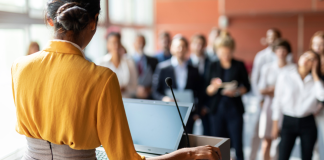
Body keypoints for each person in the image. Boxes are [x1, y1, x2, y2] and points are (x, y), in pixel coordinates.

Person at [11, 0, 222, 159]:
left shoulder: (18, 67)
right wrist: (189, 154)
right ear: (93, 22)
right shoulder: (101, 78)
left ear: (50, 20)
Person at [271, 51, 323, 160]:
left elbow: (322, 96)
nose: (307, 60)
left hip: (308, 122)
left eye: (311, 59)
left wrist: (315, 74)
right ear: (299, 58)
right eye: (305, 56)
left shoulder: (317, 81)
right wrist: (275, 124)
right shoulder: (285, 75)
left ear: (315, 64)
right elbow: (277, 101)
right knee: (282, 156)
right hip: (288, 120)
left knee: (307, 156)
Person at [249, 28, 293, 160]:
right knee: (262, 135)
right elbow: (257, 82)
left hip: (285, 105)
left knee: (281, 138)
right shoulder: (262, 58)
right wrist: (260, 99)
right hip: (266, 103)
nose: (281, 52)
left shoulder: (291, 64)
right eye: (270, 37)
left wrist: (276, 90)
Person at [206, 32, 250, 160]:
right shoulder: (212, 65)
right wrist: (213, 87)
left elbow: (247, 86)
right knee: (218, 145)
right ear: (217, 52)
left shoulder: (239, 64)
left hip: (234, 108)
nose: (225, 56)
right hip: (217, 109)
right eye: (222, 53)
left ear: (232, 51)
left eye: (228, 53)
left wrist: (236, 91)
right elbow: (207, 90)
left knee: (238, 144)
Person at [152, 34, 202, 134]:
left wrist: (197, 112)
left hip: (188, 113)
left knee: (188, 143)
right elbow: (155, 91)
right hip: (169, 113)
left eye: (183, 46)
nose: (180, 49)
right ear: (171, 48)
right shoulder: (162, 68)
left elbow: (199, 92)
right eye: (177, 46)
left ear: (187, 49)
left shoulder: (194, 69)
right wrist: (164, 98)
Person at [99, 32, 137, 98]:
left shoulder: (129, 62)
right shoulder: (101, 63)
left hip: (126, 100)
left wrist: (125, 89)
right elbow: (98, 86)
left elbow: (135, 86)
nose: (116, 46)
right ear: (108, 45)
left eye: (118, 42)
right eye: (113, 43)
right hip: (107, 100)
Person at [188, 34, 211, 136]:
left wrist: (205, 106)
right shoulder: (186, 63)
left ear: (205, 45)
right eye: (196, 44)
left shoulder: (211, 63)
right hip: (191, 106)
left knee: (208, 135)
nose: (199, 47)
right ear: (191, 45)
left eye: (201, 44)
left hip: (207, 106)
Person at [310, 31, 324, 159]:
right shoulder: (309, 61)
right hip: (310, 107)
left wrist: (320, 106)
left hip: (321, 107)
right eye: (315, 44)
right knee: (312, 141)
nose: (317, 47)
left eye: (321, 44)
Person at [132, 34, 158, 99]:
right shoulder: (128, 60)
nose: (140, 44)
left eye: (143, 42)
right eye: (138, 42)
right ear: (134, 44)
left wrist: (149, 89)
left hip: (148, 95)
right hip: (133, 96)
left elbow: (156, 79)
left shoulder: (153, 61)